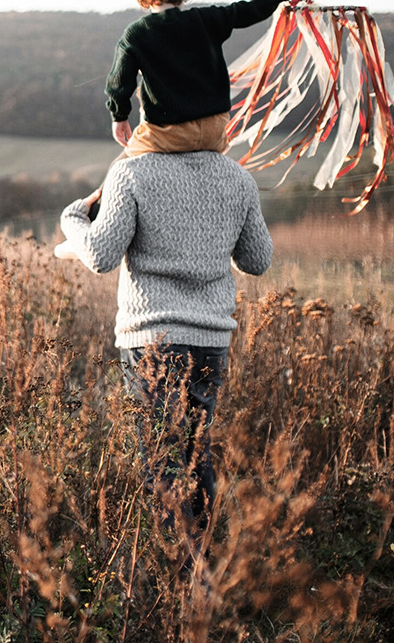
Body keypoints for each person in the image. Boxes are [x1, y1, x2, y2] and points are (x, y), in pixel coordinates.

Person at [57, 148, 272, 556]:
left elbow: (101, 256)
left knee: (163, 462)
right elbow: (258, 260)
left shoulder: (131, 171)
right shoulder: (237, 177)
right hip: (210, 340)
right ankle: (202, 573)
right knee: (196, 454)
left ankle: (179, 583)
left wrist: (73, 219)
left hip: (153, 340)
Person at [106, 0, 325, 156]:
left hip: (169, 135)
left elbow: (119, 83)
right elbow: (252, 9)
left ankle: (93, 199)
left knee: (122, 166)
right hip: (215, 132)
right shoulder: (207, 19)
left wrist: (119, 117)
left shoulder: (135, 34)